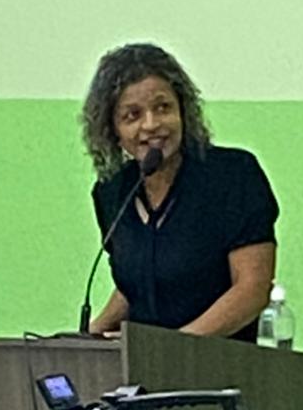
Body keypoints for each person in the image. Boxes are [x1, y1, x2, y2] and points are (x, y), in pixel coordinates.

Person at [81, 43, 278, 341]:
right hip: (144, 364)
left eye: (163, 108)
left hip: (220, 361)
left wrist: (171, 346)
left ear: (183, 111)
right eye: (133, 115)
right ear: (113, 130)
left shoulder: (232, 176)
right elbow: (138, 284)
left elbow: (252, 289)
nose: (151, 124)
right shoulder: (112, 192)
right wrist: (87, 337)